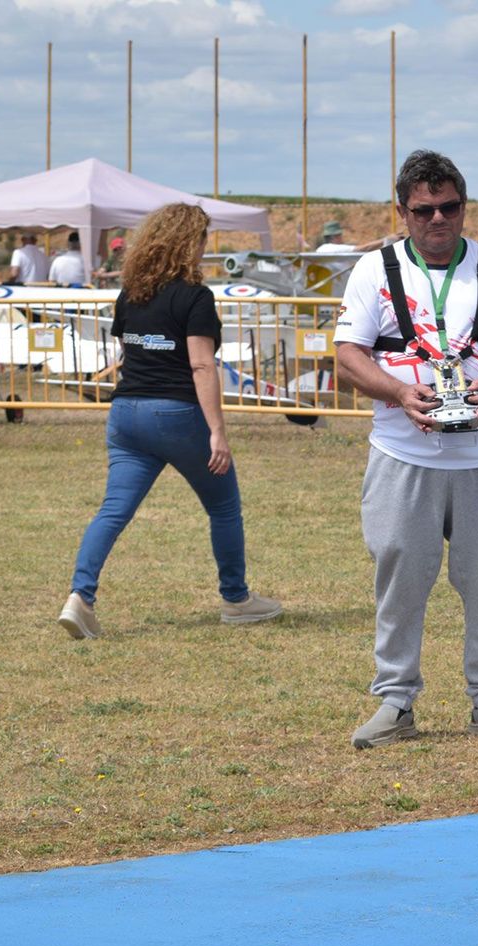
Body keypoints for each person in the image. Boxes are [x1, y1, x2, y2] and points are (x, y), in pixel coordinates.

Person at [333, 149, 478, 750]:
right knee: (399, 571)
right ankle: (395, 700)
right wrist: (401, 393)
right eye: (424, 209)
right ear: (402, 211)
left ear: (463, 207)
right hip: (402, 456)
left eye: (450, 207)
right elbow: (348, 355)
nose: (438, 219)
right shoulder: (373, 271)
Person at [58, 203, 282, 641]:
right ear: (188, 244)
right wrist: (217, 430)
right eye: (201, 239)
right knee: (223, 507)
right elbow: (201, 367)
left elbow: (129, 353)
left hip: (126, 416)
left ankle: (79, 597)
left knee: (113, 511)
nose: (204, 248)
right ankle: (236, 600)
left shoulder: (129, 295)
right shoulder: (196, 297)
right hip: (176, 415)